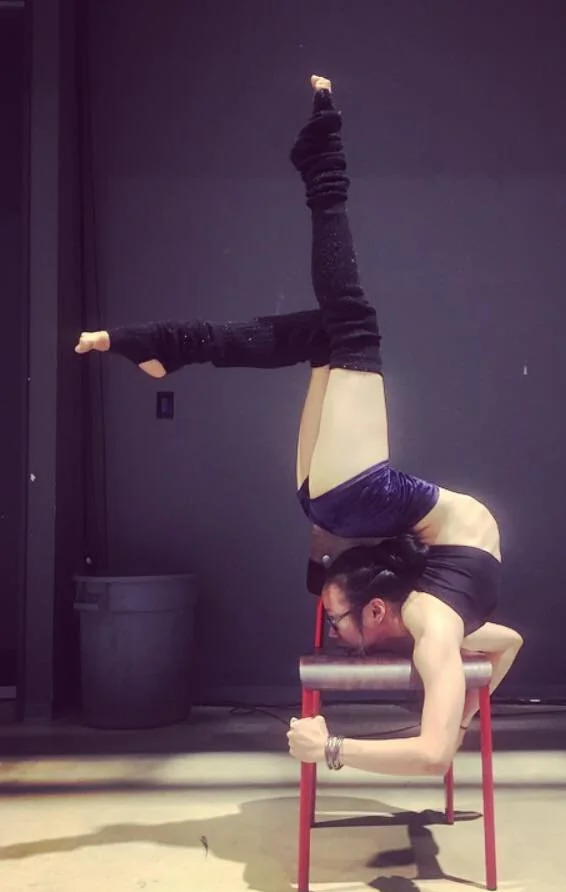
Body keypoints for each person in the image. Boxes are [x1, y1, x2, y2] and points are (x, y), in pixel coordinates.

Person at [76, 75, 523, 777]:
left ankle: (322, 162)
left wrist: (337, 749)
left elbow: (434, 740)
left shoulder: (428, 619)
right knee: (330, 332)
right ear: (378, 608)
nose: (339, 635)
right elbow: (506, 649)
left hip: (352, 494)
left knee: (352, 325)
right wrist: (460, 719)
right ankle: (169, 343)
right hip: (333, 496)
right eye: (344, 622)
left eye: (334, 622)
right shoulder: (441, 625)